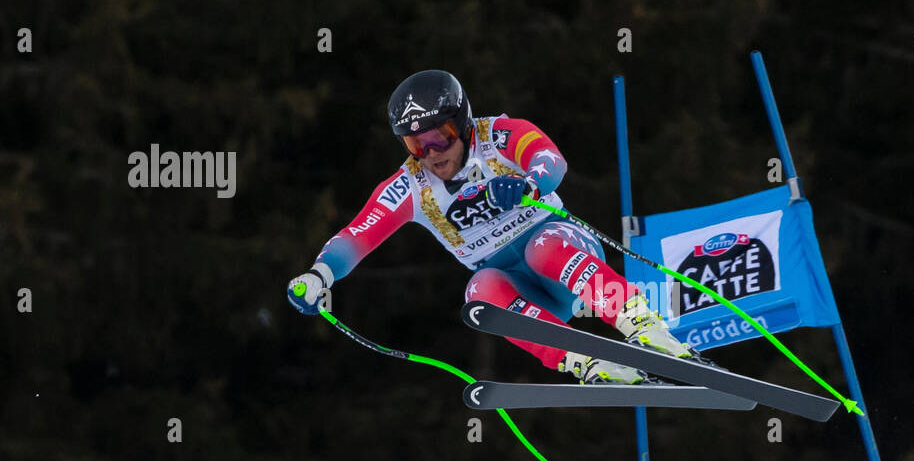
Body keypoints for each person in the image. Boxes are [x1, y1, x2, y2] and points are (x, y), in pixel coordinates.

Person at [286, 69, 696, 383]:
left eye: (440, 138)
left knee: (542, 248)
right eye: (416, 145)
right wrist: (319, 275)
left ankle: (644, 326)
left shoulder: (497, 136)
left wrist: (528, 184)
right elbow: (358, 234)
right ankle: (587, 363)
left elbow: (550, 159)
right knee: (479, 292)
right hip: (527, 293)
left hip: (566, 254)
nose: (431, 154)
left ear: (461, 123)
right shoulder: (410, 185)